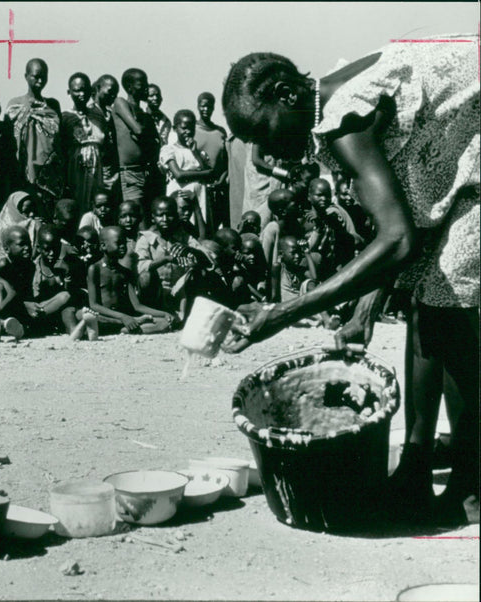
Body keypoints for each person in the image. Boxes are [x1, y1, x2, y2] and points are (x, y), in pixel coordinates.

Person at [222, 39, 479, 525]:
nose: (261, 151)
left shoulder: (344, 117)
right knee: (427, 299)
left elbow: (398, 239)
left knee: (448, 307)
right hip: (462, 163)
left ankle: (471, 485)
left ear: (286, 94)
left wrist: (281, 312)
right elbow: (410, 226)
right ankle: (416, 466)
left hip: (476, 164)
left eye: (261, 131)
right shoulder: (339, 94)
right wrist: (365, 313)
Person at [135, 196, 213, 319]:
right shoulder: (146, 238)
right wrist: (166, 258)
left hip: (180, 293)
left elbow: (208, 259)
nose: (165, 219)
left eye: (169, 215)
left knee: (198, 272)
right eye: (160, 215)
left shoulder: (184, 238)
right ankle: (153, 313)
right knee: (145, 276)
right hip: (157, 292)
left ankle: (185, 314)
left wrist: (190, 250)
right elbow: (141, 266)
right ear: (153, 218)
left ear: (176, 216)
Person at [88, 226, 175, 335]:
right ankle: (127, 325)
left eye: (124, 243)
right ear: (103, 246)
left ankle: (124, 328)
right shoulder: (94, 269)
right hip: (105, 316)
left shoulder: (125, 272)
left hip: (126, 317)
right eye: (118, 243)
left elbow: (137, 306)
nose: (123, 246)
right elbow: (94, 305)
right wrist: (122, 317)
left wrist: (163, 314)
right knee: (88, 316)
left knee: (163, 323)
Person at [5, 58, 64, 203]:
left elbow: (60, 138)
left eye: (44, 77)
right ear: (26, 76)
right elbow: (7, 139)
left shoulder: (53, 105)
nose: (40, 81)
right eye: (36, 76)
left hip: (49, 170)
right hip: (22, 168)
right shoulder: (14, 105)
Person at [112, 68, 162, 224]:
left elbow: (156, 143)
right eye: (142, 83)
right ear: (129, 87)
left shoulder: (145, 114)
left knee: (148, 218)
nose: (147, 87)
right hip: (130, 173)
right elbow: (138, 130)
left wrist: (142, 135)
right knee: (137, 219)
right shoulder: (120, 103)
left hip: (146, 173)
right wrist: (142, 134)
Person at [160, 110, 215, 236]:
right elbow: (178, 175)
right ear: (174, 128)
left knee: (201, 229)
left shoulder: (200, 153)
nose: (188, 132)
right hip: (181, 196)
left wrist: (195, 153)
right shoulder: (169, 150)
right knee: (180, 229)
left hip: (199, 196)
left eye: (191, 128)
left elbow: (211, 174)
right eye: (184, 128)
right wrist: (202, 173)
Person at [60, 73, 106, 213]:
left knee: (96, 202)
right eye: (76, 90)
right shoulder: (65, 117)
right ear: (69, 92)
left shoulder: (98, 115)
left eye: (84, 90)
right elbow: (62, 147)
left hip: (97, 165)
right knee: (77, 202)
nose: (81, 94)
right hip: (76, 166)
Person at [304, 178, 356, 279]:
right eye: (319, 195)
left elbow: (334, 221)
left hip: (336, 264)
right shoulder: (305, 220)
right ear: (309, 197)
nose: (323, 198)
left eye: (327, 195)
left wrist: (320, 218)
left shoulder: (333, 212)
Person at [194, 92, 229, 231]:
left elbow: (226, 162)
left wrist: (221, 180)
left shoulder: (220, 132)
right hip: (198, 185)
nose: (206, 109)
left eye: (209, 106)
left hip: (217, 188)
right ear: (198, 106)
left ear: (214, 108)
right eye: (203, 106)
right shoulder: (192, 129)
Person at [88, 75, 122, 204]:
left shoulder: (111, 112)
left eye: (116, 94)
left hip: (112, 167)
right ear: (97, 88)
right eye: (110, 92)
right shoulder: (89, 111)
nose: (113, 96)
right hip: (96, 166)